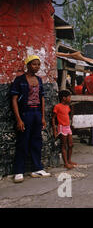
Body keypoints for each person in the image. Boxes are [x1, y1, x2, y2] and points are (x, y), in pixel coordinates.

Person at [10, 55, 51, 183]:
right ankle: (18, 171)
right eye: (34, 64)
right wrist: (19, 119)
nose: (36, 67)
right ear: (28, 65)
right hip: (25, 113)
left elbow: (42, 98)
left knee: (36, 141)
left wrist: (43, 117)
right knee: (23, 141)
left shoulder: (39, 80)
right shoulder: (20, 80)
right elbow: (14, 99)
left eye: (38, 64)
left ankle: (36, 168)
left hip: (36, 113)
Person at [52, 90, 76, 169]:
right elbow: (53, 118)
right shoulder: (57, 106)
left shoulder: (67, 107)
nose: (70, 98)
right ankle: (66, 163)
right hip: (62, 127)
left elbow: (67, 116)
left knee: (71, 144)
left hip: (68, 127)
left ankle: (69, 160)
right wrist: (55, 130)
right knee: (64, 146)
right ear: (64, 98)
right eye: (69, 97)